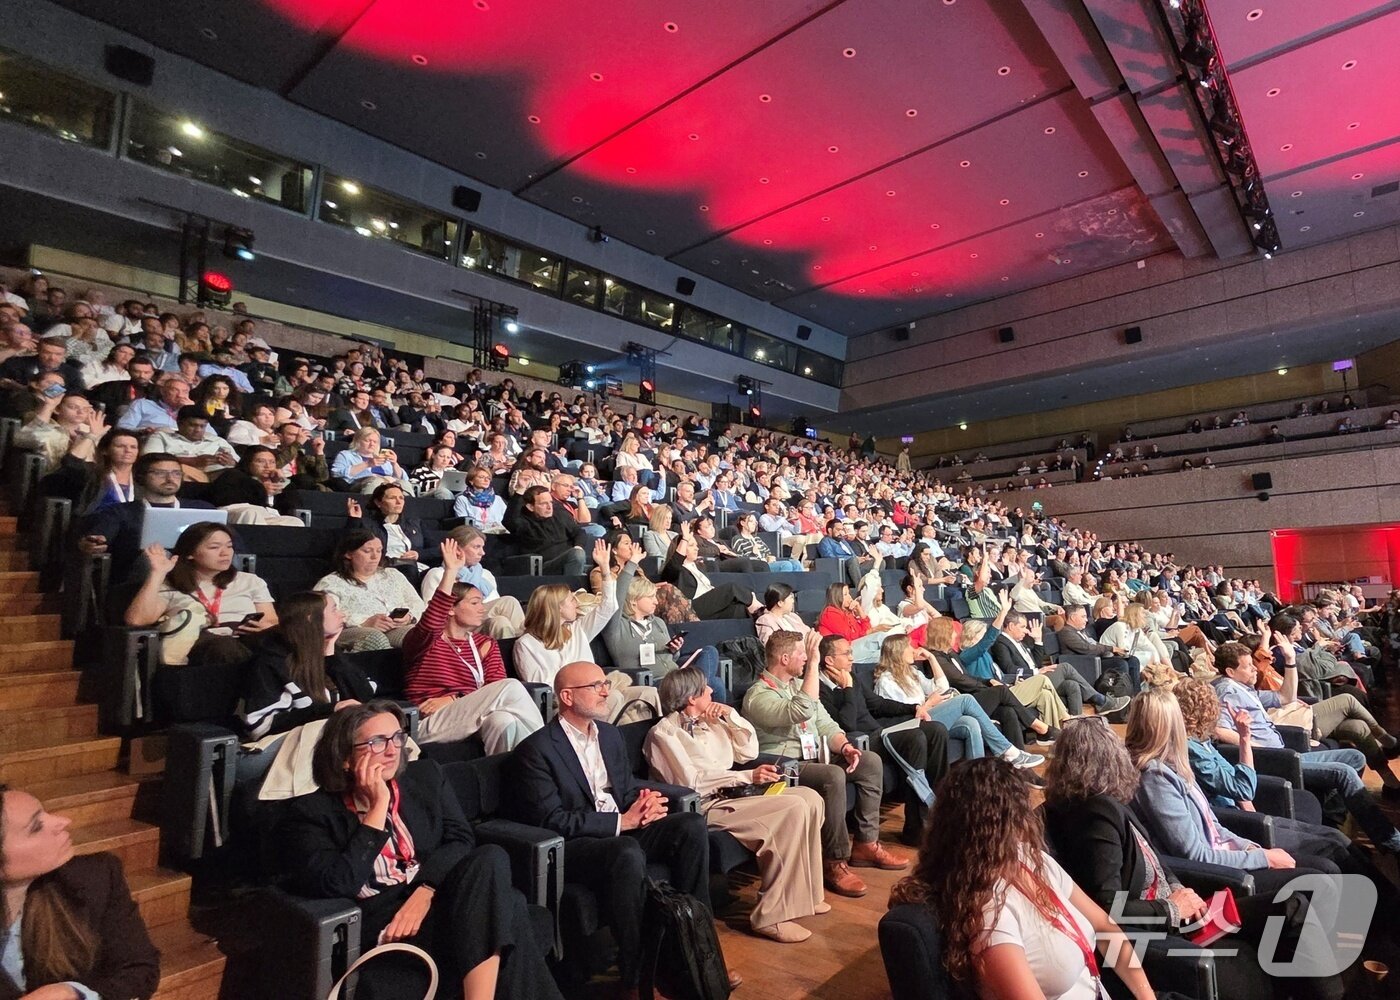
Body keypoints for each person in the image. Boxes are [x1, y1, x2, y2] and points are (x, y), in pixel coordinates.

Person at [279, 702, 564, 1000]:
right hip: (385, 921)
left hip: (435, 896)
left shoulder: (425, 777)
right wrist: (377, 809)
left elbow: (460, 838)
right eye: (376, 742)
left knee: (490, 856)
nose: (392, 750)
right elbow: (339, 882)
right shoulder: (311, 813)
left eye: (397, 737)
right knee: (511, 906)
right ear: (345, 758)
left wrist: (425, 890)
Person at [1042, 717, 1340, 1000]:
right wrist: (1171, 908)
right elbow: (1106, 909)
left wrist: (1179, 890)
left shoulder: (1106, 802)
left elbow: (1156, 861)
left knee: (1293, 904)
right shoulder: (1094, 814)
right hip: (1171, 931)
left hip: (1190, 914)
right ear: (1109, 759)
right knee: (1293, 909)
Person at [510, 661, 738, 996]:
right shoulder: (537, 749)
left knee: (690, 825)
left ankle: (699, 955)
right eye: (596, 686)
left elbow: (624, 789)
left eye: (605, 683)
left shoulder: (611, 735)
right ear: (567, 696)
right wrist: (623, 821)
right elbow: (552, 820)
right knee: (625, 850)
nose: (606, 691)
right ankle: (635, 974)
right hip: (579, 845)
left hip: (622, 828)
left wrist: (644, 803)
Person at [890, 756, 1158, 1000]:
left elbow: (1105, 926)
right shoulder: (990, 913)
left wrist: (1147, 997)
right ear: (1007, 823)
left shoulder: (1029, 859)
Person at [644, 667, 827, 943]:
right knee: (792, 808)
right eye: (705, 688)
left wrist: (731, 717)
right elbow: (690, 782)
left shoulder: (714, 720)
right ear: (691, 698)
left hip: (736, 794)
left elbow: (748, 752)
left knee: (810, 798)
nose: (711, 691)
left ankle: (808, 894)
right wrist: (745, 776)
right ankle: (772, 915)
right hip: (704, 806)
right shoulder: (664, 733)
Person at [741, 631, 907, 899]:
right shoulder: (757, 695)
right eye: (801, 654)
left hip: (814, 757)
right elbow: (801, 711)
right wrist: (814, 666)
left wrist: (844, 746)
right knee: (832, 776)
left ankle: (866, 844)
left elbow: (825, 724)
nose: (806, 658)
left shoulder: (798, 686)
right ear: (784, 658)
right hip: (785, 764)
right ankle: (834, 861)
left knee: (869, 761)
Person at [1127, 689, 1348, 885]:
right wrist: (1262, 858)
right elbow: (1195, 853)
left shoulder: (1175, 763)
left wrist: (1251, 848)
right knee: (1327, 868)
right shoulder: (1155, 777)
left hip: (1231, 850)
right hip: (1220, 873)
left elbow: (1213, 826)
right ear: (1171, 725)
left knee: (1336, 850)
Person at [1210, 641, 1400, 852]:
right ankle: (1390, 842)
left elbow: (1285, 697)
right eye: (1248, 666)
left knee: (1355, 757)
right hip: (1275, 761)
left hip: (1285, 752)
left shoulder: (1242, 688)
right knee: (1344, 771)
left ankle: (1334, 817)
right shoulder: (1226, 692)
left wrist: (1291, 661)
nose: (1255, 668)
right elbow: (1219, 730)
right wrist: (1253, 744)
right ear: (1230, 671)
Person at [0, 783, 161, 1000]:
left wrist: (74, 993)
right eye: (36, 826)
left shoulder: (95, 877)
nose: (64, 821)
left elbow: (140, 970)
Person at [402, 537, 544, 753]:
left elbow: (493, 692)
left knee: (503, 720)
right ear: (451, 608)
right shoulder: (426, 641)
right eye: (475, 603)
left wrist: (454, 698)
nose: (482, 609)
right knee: (512, 686)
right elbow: (431, 621)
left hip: (469, 712)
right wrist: (450, 571)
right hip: (429, 720)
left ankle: (513, 780)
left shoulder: (485, 643)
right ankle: (552, 754)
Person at [816, 634, 949, 846]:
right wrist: (847, 689)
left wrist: (913, 708)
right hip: (861, 742)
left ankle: (942, 810)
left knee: (936, 730)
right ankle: (916, 829)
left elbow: (877, 704)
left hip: (879, 732)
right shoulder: (820, 689)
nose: (852, 658)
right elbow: (846, 725)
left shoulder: (852, 677)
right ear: (829, 660)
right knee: (915, 738)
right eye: (847, 653)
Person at [514, 541, 659, 723]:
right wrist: (585, 688)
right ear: (556, 608)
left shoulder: (577, 629)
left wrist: (605, 570)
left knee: (648, 692)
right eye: (570, 599)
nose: (577, 602)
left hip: (597, 689)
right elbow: (545, 688)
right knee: (613, 698)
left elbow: (608, 607)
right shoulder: (526, 644)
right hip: (567, 700)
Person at [875, 631, 1047, 764]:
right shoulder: (886, 681)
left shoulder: (912, 672)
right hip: (915, 725)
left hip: (929, 715)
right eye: (909, 647)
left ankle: (976, 777)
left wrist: (932, 658)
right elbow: (904, 715)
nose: (914, 650)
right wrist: (929, 703)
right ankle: (1008, 751)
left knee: (970, 723)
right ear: (898, 653)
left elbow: (941, 687)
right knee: (966, 699)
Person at [238, 591, 376, 743]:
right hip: (287, 745)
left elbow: (365, 695)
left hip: (330, 739)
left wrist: (331, 657)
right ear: (310, 618)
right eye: (334, 609)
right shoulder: (271, 661)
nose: (342, 614)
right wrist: (329, 710)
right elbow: (259, 727)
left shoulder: (328, 653)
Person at [923, 621, 1063, 749]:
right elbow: (960, 680)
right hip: (961, 702)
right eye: (952, 631)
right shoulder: (936, 658)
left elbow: (967, 677)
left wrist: (988, 681)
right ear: (943, 635)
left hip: (973, 696)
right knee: (1004, 689)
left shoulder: (951, 654)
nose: (955, 634)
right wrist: (988, 686)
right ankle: (1041, 728)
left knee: (1008, 712)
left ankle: (1016, 757)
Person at [602, 559, 727, 701]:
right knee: (715, 684)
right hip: (655, 683)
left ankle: (698, 692)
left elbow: (672, 659)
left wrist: (674, 650)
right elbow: (617, 596)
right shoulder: (617, 627)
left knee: (710, 652)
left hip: (676, 676)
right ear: (633, 600)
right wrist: (631, 564)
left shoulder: (659, 623)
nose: (656, 601)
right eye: (650, 597)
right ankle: (698, 691)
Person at [991, 610, 1127, 716]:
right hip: (1027, 682)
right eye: (1022, 627)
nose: (1026, 630)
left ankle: (1075, 726)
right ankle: (1100, 700)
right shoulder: (1001, 643)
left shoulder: (1020, 641)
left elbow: (1036, 662)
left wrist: (1038, 640)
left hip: (1037, 676)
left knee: (1071, 685)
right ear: (1010, 626)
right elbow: (1009, 668)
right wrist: (1036, 672)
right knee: (1065, 667)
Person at [313, 530, 425, 652]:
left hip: (396, 628)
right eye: (367, 551)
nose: (375, 557)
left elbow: (416, 602)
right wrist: (364, 622)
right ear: (349, 554)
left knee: (422, 635)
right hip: (353, 631)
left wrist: (409, 617)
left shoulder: (392, 575)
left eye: (379, 551)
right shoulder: (332, 583)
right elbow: (323, 615)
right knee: (375, 637)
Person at [417, 525, 524, 638]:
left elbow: (493, 604)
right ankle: (526, 641)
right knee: (508, 602)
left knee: (500, 622)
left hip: (480, 623)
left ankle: (517, 648)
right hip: (454, 624)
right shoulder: (437, 574)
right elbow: (430, 613)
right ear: (457, 549)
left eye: (482, 547)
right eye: (476, 547)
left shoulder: (485, 574)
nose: (482, 553)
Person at [659, 522, 762, 619]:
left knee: (739, 609)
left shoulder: (699, 567)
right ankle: (757, 606)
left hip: (709, 605)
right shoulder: (675, 571)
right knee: (731, 587)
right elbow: (675, 564)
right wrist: (685, 539)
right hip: (691, 608)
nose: (696, 548)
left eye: (696, 545)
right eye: (691, 545)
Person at [504, 484, 589, 575]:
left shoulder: (559, 516)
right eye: (544, 503)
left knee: (599, 567)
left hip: (569, 561)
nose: (549, 507)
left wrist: (578, 546)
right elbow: (510, 521)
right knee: (576, 555)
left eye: (551, 502)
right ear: (531, 507)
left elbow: (579, 532)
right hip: (544, 567)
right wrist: (520, 490)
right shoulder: (525, 522)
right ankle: (572, 587)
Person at [1057, 603, 1141, 692]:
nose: (1086, 620)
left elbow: (1094, 644)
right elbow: (1086, 648)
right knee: (1120, 663)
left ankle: (1136, 694)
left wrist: (1112, 649)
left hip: (1093, 659)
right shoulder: (1067, 632)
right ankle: (1121, 694)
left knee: (1133, 660)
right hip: (1085, 664)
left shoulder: (1079, 631)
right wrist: (1112, 649)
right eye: (1083, 617)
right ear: (1073, 617)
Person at [347, 483, 428, 571]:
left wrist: (418, 554)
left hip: (419, 567)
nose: (398, 502)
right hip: (388, 568)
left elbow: (437, 548)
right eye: (392, 498)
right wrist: (354, 520)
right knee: (409, 569)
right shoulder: (368, 524)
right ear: (378, 502)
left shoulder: (415, 523)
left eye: (401, 498)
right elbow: (349, 545)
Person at [330, 426, 409, 491]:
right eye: (368, 441)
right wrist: (367, 464)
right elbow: (336, 473)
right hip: (360, 484)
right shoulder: (346, 455)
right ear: (358, 441)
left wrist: (394, 464)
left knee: (405, 484)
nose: (372, 444)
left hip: (387, 486)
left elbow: (402, 478)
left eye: (375, 442)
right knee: (375, 481)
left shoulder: (383, 458)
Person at [730, 511, 803, 572]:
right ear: (742, 523)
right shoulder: (737, 539)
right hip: (757, 566)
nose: (754, 524)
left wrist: (769, 557)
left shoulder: (757, 539)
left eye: (755, 522)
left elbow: (767, 552)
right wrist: (753, 553)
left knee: (795, 562)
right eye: (751, 521)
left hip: (767, 562)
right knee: (786, 565)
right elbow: (738, 559)